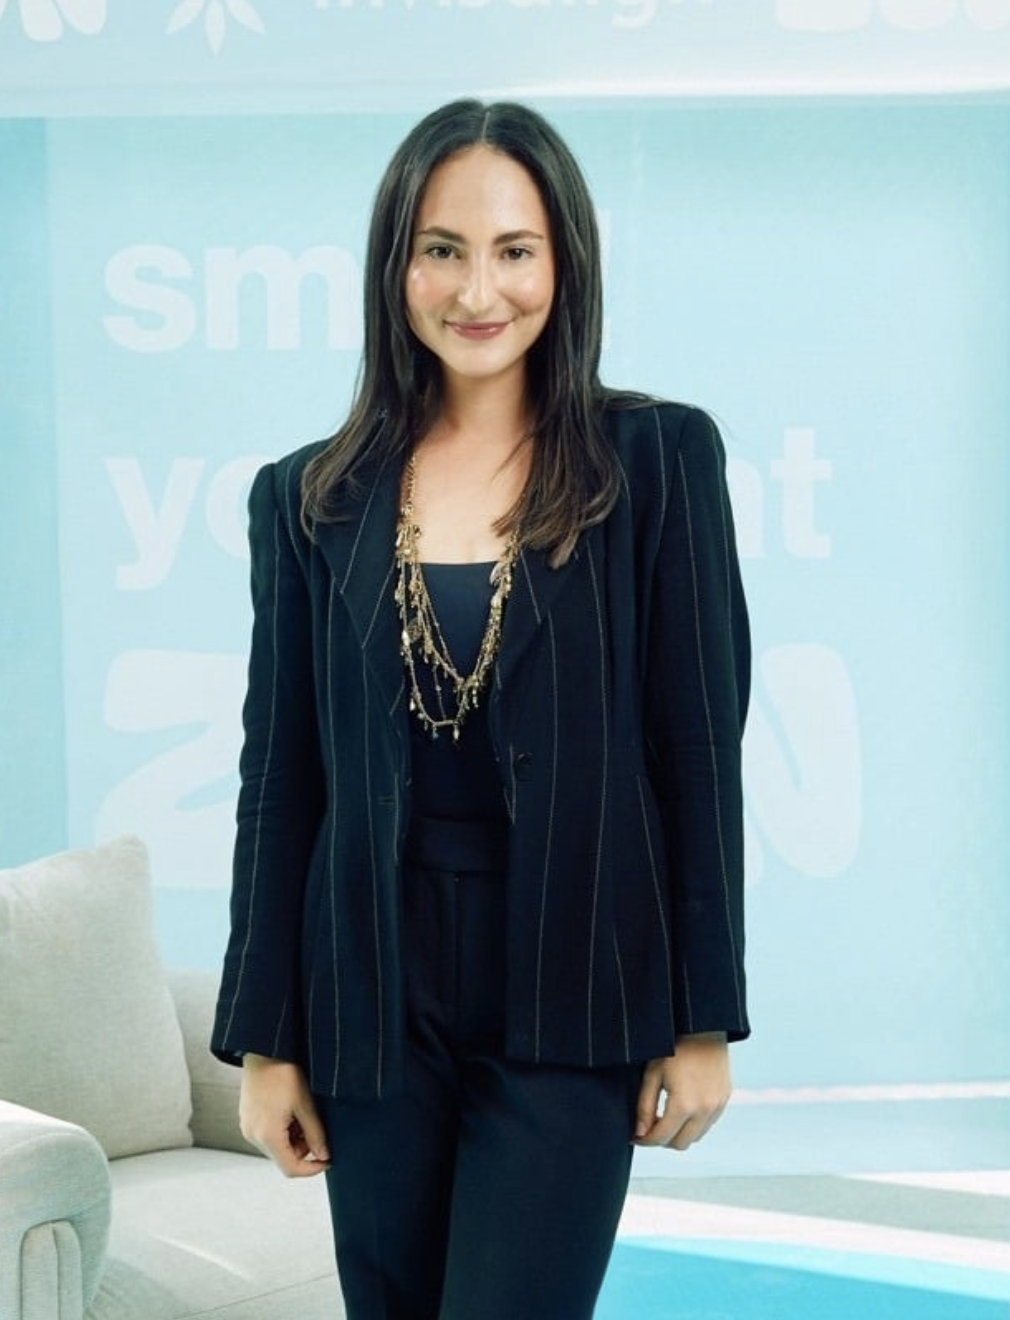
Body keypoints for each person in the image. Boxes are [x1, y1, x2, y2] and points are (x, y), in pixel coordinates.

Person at [212, 98, 750, 1320]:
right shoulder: (308, 497)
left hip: (574, 985)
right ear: (394, 264)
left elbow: (695, 748)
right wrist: (267, 1040)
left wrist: (703, 1019)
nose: (476, 289)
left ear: (564, 262)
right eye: (441, 249)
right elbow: (280, 777)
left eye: (514, 250)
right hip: (370, 999)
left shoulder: (654, 462)